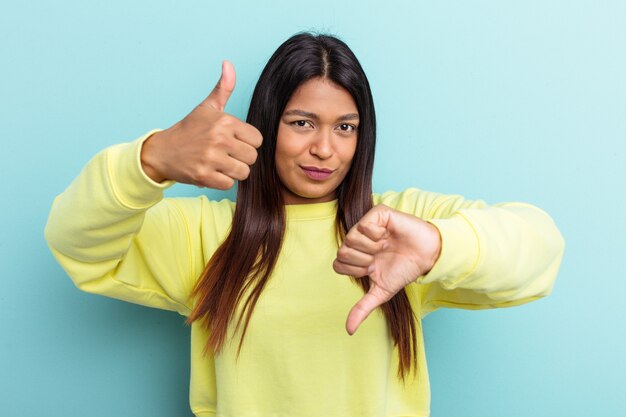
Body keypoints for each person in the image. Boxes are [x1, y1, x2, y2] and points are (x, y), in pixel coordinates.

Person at [45, 32, 565, 417]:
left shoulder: (396, 230)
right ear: (267, 126)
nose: (325, 148)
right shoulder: (205, 237)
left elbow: (540, 249)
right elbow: (74, 240)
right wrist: (151, 159)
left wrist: (437, 246)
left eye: (345, 127)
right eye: (302, 123)